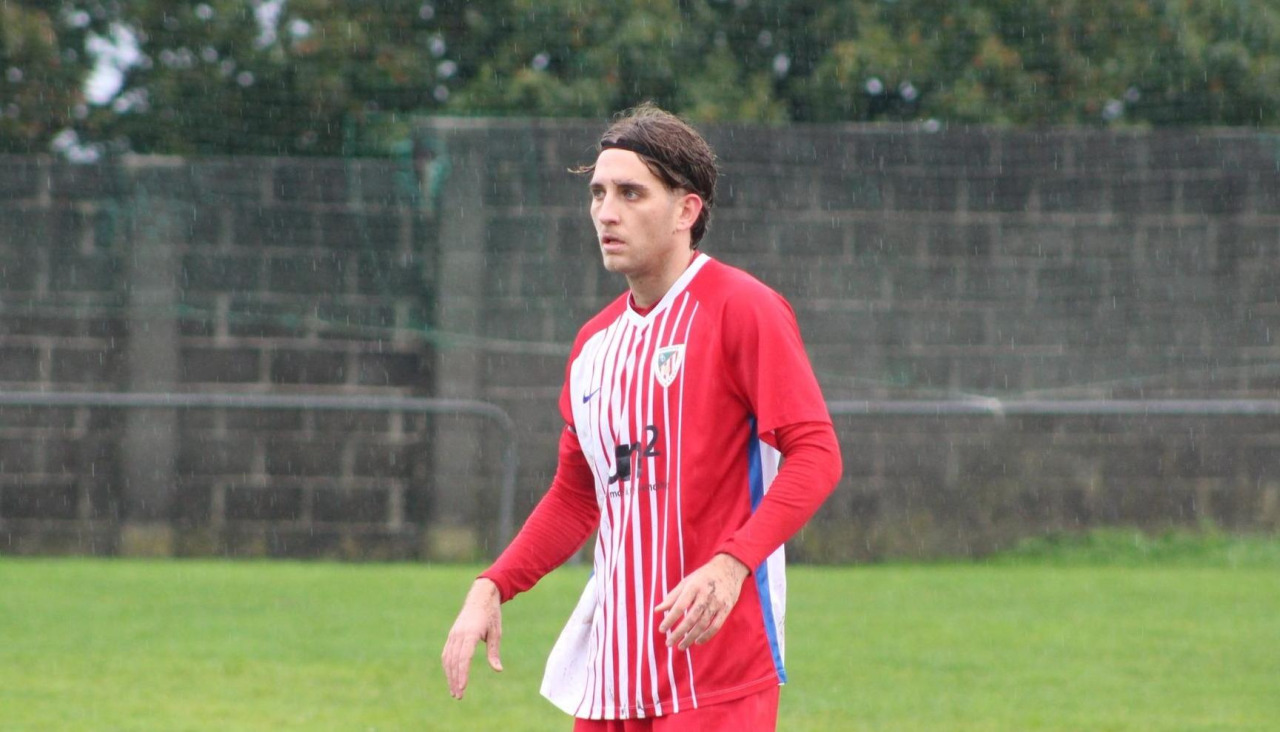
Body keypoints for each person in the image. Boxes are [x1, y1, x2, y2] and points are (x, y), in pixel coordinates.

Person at [441, 102, 842, 731]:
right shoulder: (594, 347)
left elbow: (816, 453)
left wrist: (733, 561)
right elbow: (577, 499)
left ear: (687, 210)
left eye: (631, 193)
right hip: (613, 676)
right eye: (599, 192)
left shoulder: (743, 309)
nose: (606, 211)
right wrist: (492, 585)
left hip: (716, 672)